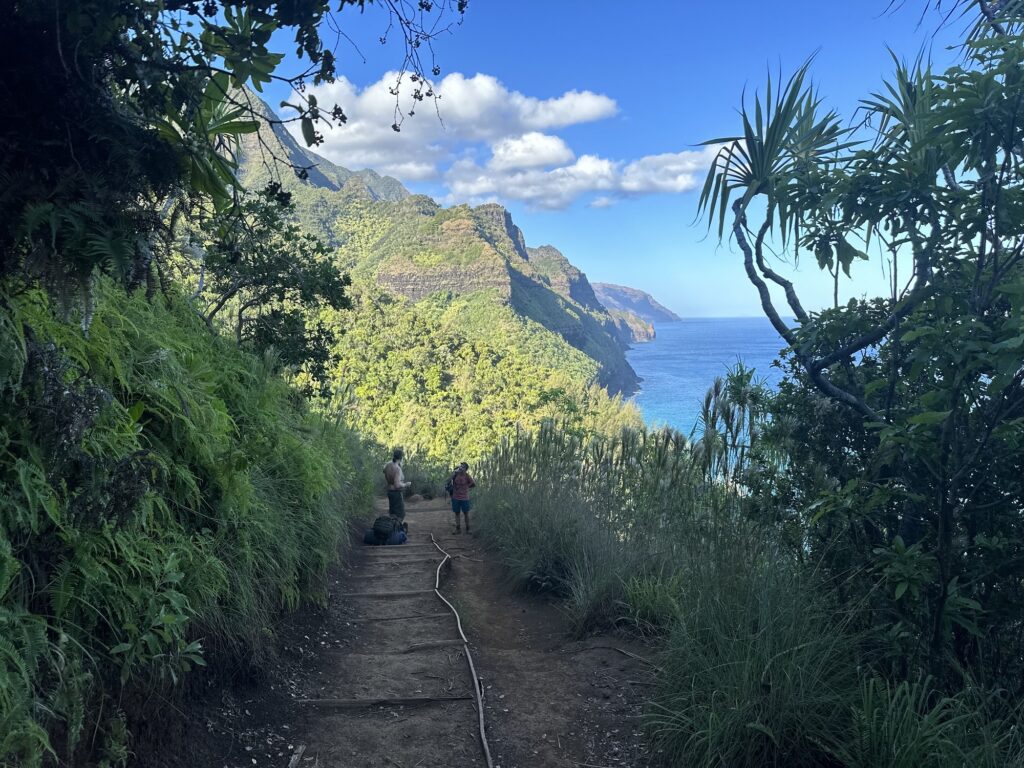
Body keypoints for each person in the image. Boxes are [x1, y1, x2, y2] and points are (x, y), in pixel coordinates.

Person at [383, 448, 411, 523]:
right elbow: (397, 485)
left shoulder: (388, 465)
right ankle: (397, 532)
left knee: (392, 514)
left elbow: (384, 471)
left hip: (389, 492)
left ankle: (393, 531)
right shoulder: (397, 469)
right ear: (401, 458)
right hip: (396, 493)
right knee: (400, 515)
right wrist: (405, 484)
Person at [448, 462, 475, 534]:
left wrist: (467, 487)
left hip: (464, 498)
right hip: (455, 497)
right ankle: (458, 529)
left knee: (466, 513)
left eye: (463, 467)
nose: (461, 468)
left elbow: (473, 483)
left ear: (466, 469)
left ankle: (468, 529)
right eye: (460, 466)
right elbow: (449, 481)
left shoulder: (467, 476)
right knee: (457, 513)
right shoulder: (456, 474)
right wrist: (454, 473)